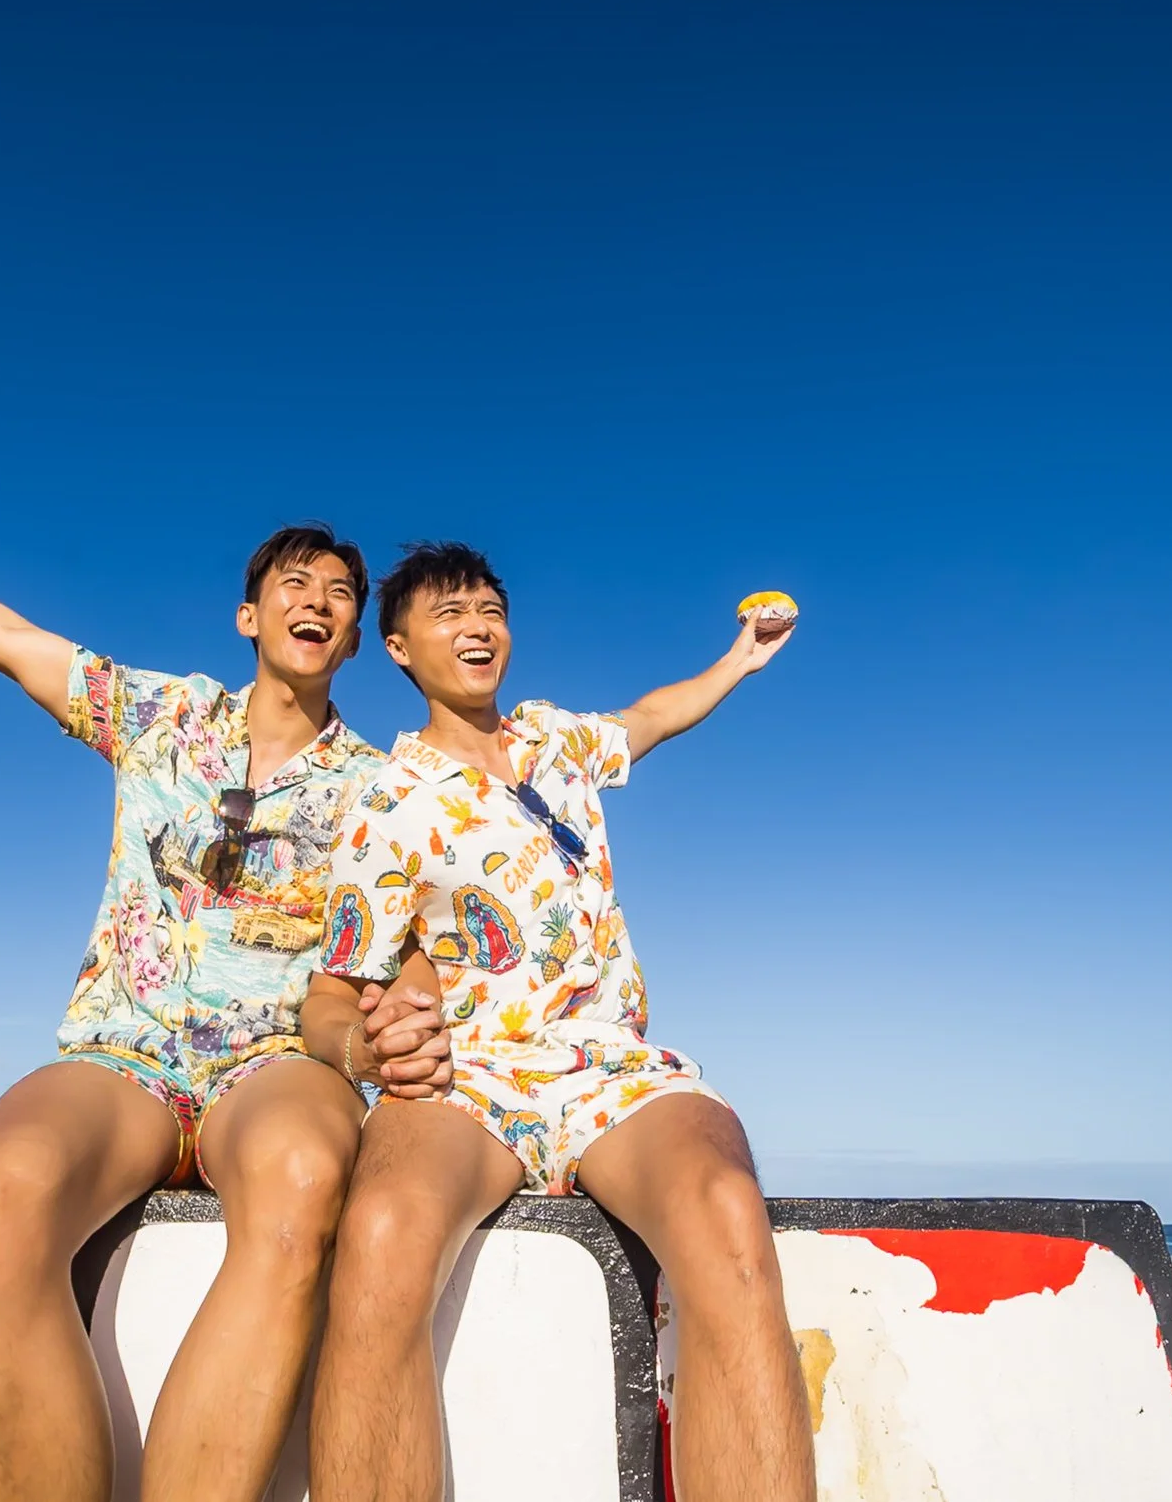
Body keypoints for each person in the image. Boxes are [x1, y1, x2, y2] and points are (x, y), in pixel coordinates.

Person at [0, 467, 442, 1502]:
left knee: (303, 1179)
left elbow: (420, 927)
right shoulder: (158, 712)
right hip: (122, 1049)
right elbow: (3, 636)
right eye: (294, 583)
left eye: (339, 591)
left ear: (353, 637)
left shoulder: (381, 786)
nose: (317, 599)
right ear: (250, 615)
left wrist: (408, 1011)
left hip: (275, 1060)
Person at [301, 541, 816, 1502]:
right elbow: (332, 990)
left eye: (490, 608)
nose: (478, 625)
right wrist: (362, 1045)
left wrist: (739, 657)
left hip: (611, 1068)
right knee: (379, 1233)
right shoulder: (384, 799)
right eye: (449, 612)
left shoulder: (558, 742)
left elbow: (653, 716)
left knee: (726, 1209)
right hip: (469, 1077)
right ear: (400, 648)